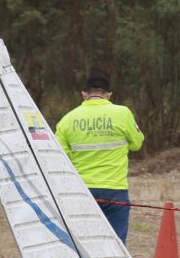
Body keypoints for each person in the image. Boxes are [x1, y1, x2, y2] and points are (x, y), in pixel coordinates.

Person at [55, 73, 145, 243]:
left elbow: (59, 157)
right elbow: (137, 143)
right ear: (109, 95)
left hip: (81, 190)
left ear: (84, 93)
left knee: (83, 244)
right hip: (115, 190)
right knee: (116, 244)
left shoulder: (67, 119)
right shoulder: (122, 113)